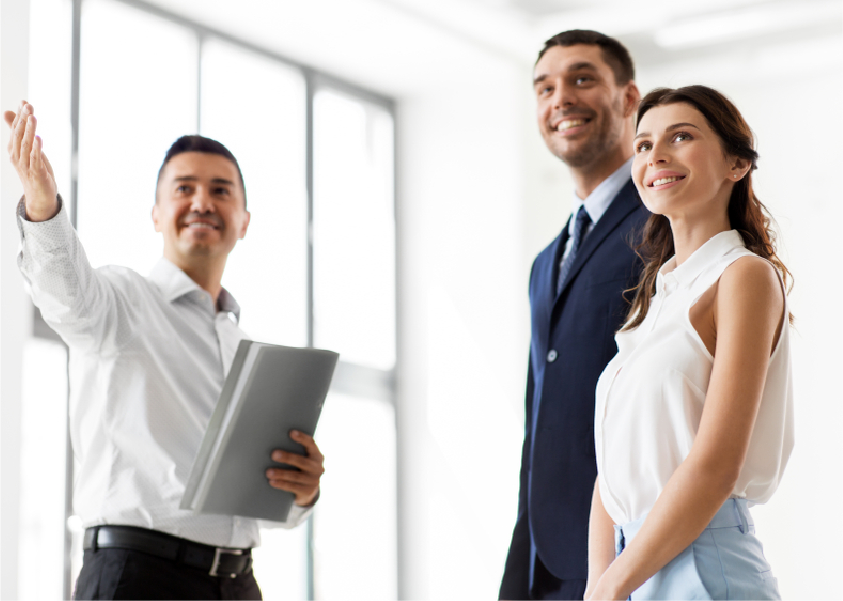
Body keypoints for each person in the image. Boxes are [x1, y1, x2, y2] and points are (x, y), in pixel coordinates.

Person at [6, 102, 324, 601]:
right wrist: (43, 206)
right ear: (156, 216)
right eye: (184, 189)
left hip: (238, 583)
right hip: (139, 578)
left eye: (221, 191)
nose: (202, 202)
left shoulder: (245, 350)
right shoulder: (122, 301)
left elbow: (261, 497)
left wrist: (303, 493)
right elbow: (67, 297)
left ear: (244, 221)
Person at [585, 86, 793, 601]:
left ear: (737, 164)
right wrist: (601, 580)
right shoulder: (655, 302)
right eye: (643, 144)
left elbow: (715, 463)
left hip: (704, 562)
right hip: (637, 564)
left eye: (681, 137)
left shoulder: (742, 276)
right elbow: (611, 467)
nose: (656, 155)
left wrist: (611, 585)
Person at [499, 30, 648, 601]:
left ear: (628, 97)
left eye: (582, 78)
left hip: (630, 553)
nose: (560, 97)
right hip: (549, 566)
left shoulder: (661, 226)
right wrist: (518, 576)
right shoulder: (546, 262)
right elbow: (540, 429)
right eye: (544, 87)